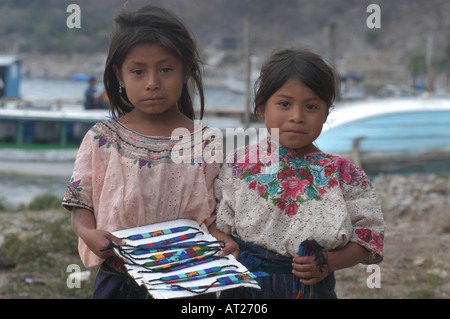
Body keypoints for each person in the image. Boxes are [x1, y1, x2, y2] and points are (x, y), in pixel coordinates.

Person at [62, 5, 221, 299]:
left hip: (190, 281)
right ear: (119, 76)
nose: (152, 83)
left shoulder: (205, 143)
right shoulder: (103, 139)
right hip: (120, 281)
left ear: (185, 71)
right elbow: (80, 203)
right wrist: (88, 233)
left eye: (165, 69)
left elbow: (216, 216)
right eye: (138, 71)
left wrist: (225, 241)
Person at [212, 49, 385, 299]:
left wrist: (330, 261)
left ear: (327, 113)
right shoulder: (238, 164)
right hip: (244, 285)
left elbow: (370, 236)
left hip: (312, 287)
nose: (297, 117)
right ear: (261, 108)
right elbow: (212, 217)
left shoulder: (345, 175)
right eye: (284, 104)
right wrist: (223, 241)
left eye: (311, 106)